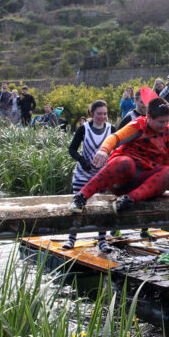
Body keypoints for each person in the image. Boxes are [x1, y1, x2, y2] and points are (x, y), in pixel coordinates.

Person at [69, 97, 169, 220]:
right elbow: (116, 137)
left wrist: (160, 188)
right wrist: (104, 150)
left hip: (143, 182)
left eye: (167, 121)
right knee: (124, 162)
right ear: (149, 117)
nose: (165, 125)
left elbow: (167, 163)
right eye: (161, 122)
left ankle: (128, 200)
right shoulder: (138, 125)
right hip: (124, 177)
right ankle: (81, 197)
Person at [64, 100, 115, 251]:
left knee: (103, 208)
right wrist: (82, 160)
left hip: (102, 175)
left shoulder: (111, 129)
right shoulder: (83, 129)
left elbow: (119, 149)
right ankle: (71, 239)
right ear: (92, 113)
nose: (102, 116)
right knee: (76, 206)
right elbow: (72, 149)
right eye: (99, 113)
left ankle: (102, 241)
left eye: (105, 113)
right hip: (83, 174)